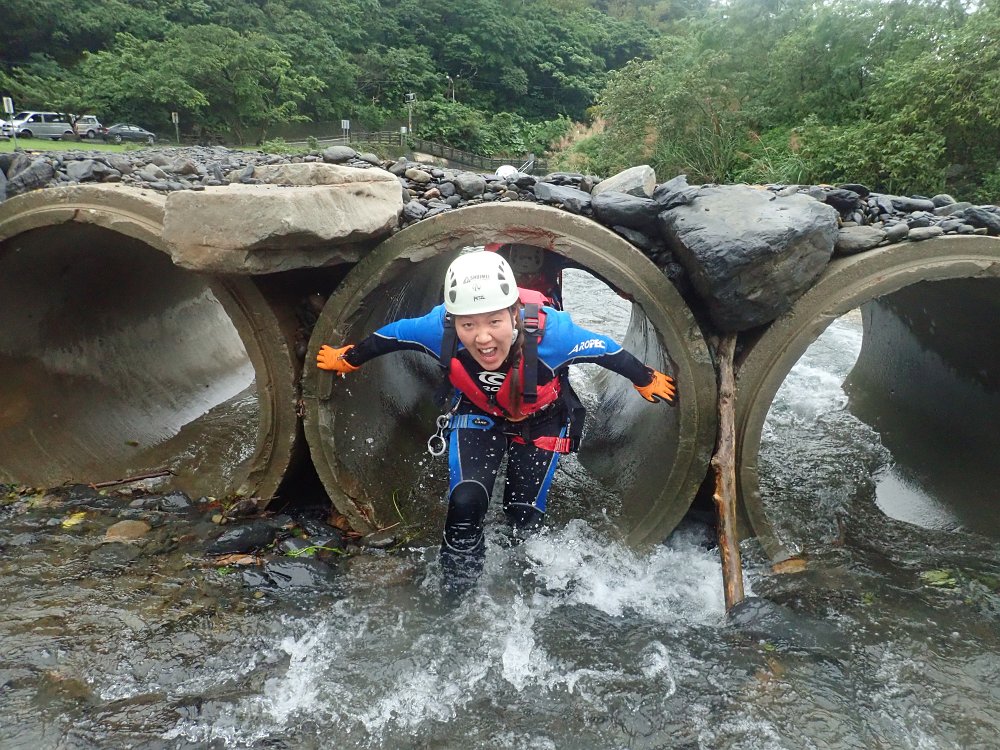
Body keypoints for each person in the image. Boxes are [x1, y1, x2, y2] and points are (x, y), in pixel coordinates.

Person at [316, 249, 677, 593]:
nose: (483, 338)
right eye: (468, 324)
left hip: (541, 421)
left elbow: (606, 350)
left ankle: (520, 591)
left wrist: (644, 378)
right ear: (453, 320)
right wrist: (349, 358)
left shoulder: (554, 335)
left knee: (523, 516)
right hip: (478, 414)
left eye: (494, 321)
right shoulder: (437, 329)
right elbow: (391, 336)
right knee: (465, 503)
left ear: (514, 313)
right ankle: (458, 597)